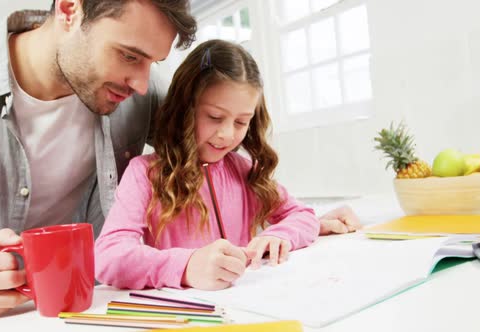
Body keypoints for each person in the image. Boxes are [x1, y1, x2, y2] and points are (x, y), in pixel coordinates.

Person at [0, 0, 196, 320]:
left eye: (153, 62)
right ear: (68, 10)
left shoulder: (141, 91)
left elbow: (215, 148)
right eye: (129, 55)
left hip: (91, 311)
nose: (141, 83)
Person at [94, 40, 321, 291]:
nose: (226, 134)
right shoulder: (145, 174)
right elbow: (108, 258)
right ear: (185, 109)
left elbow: (303, 215)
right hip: (186, 318)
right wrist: (187, 266)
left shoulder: (243, 170)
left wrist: (279, 235)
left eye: (241, 122)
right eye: (215, 117)